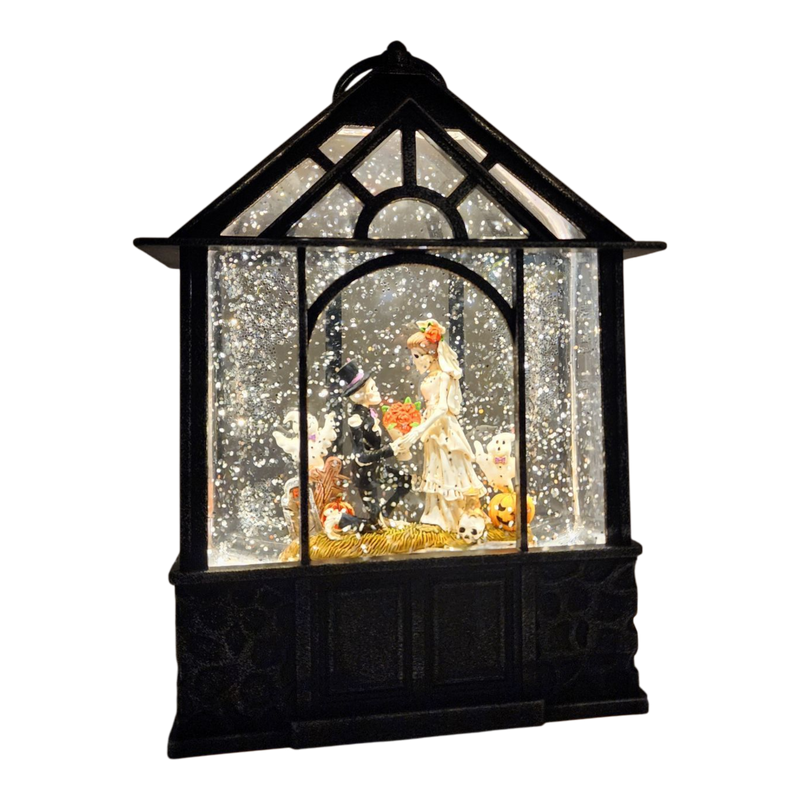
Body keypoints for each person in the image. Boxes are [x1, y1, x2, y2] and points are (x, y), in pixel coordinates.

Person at [400, 319, 486, 532]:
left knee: (447, 467)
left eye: (417, 356)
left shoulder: (443, 377)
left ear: (431, 355)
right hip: (432, 428)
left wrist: (421, 428)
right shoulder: (429, 377)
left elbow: (441, 408)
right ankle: (435, 514)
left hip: (443, 428)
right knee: (434, 467)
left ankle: (453, 516)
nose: (414, 361)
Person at [334, 360, 412, 532]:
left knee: (405, 482)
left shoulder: (370, 414)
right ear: (361, 394)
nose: (377, 391)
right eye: (373, 388)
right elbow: (361, 456)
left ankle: (384, 515)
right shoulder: (356, 419)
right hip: (365, 476)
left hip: (378, 470)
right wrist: (390, 450)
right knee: (373, 525)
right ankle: (342, 521)